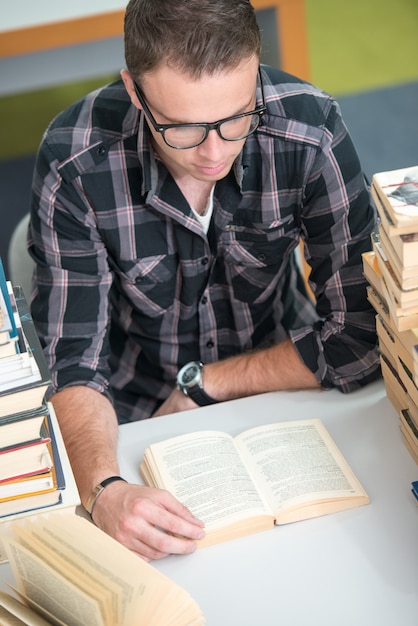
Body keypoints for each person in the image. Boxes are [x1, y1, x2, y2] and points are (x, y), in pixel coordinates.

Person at [28, 0, 380, 561]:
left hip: (283, 376)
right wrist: (103, 490)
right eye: (183, 129)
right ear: (135, 90)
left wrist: (205, 384)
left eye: (238, 118)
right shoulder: (75, 160)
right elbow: (73, 360)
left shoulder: (308, 128)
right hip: (133, 410)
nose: (215, 153)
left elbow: (363, 331)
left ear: (256, 72)